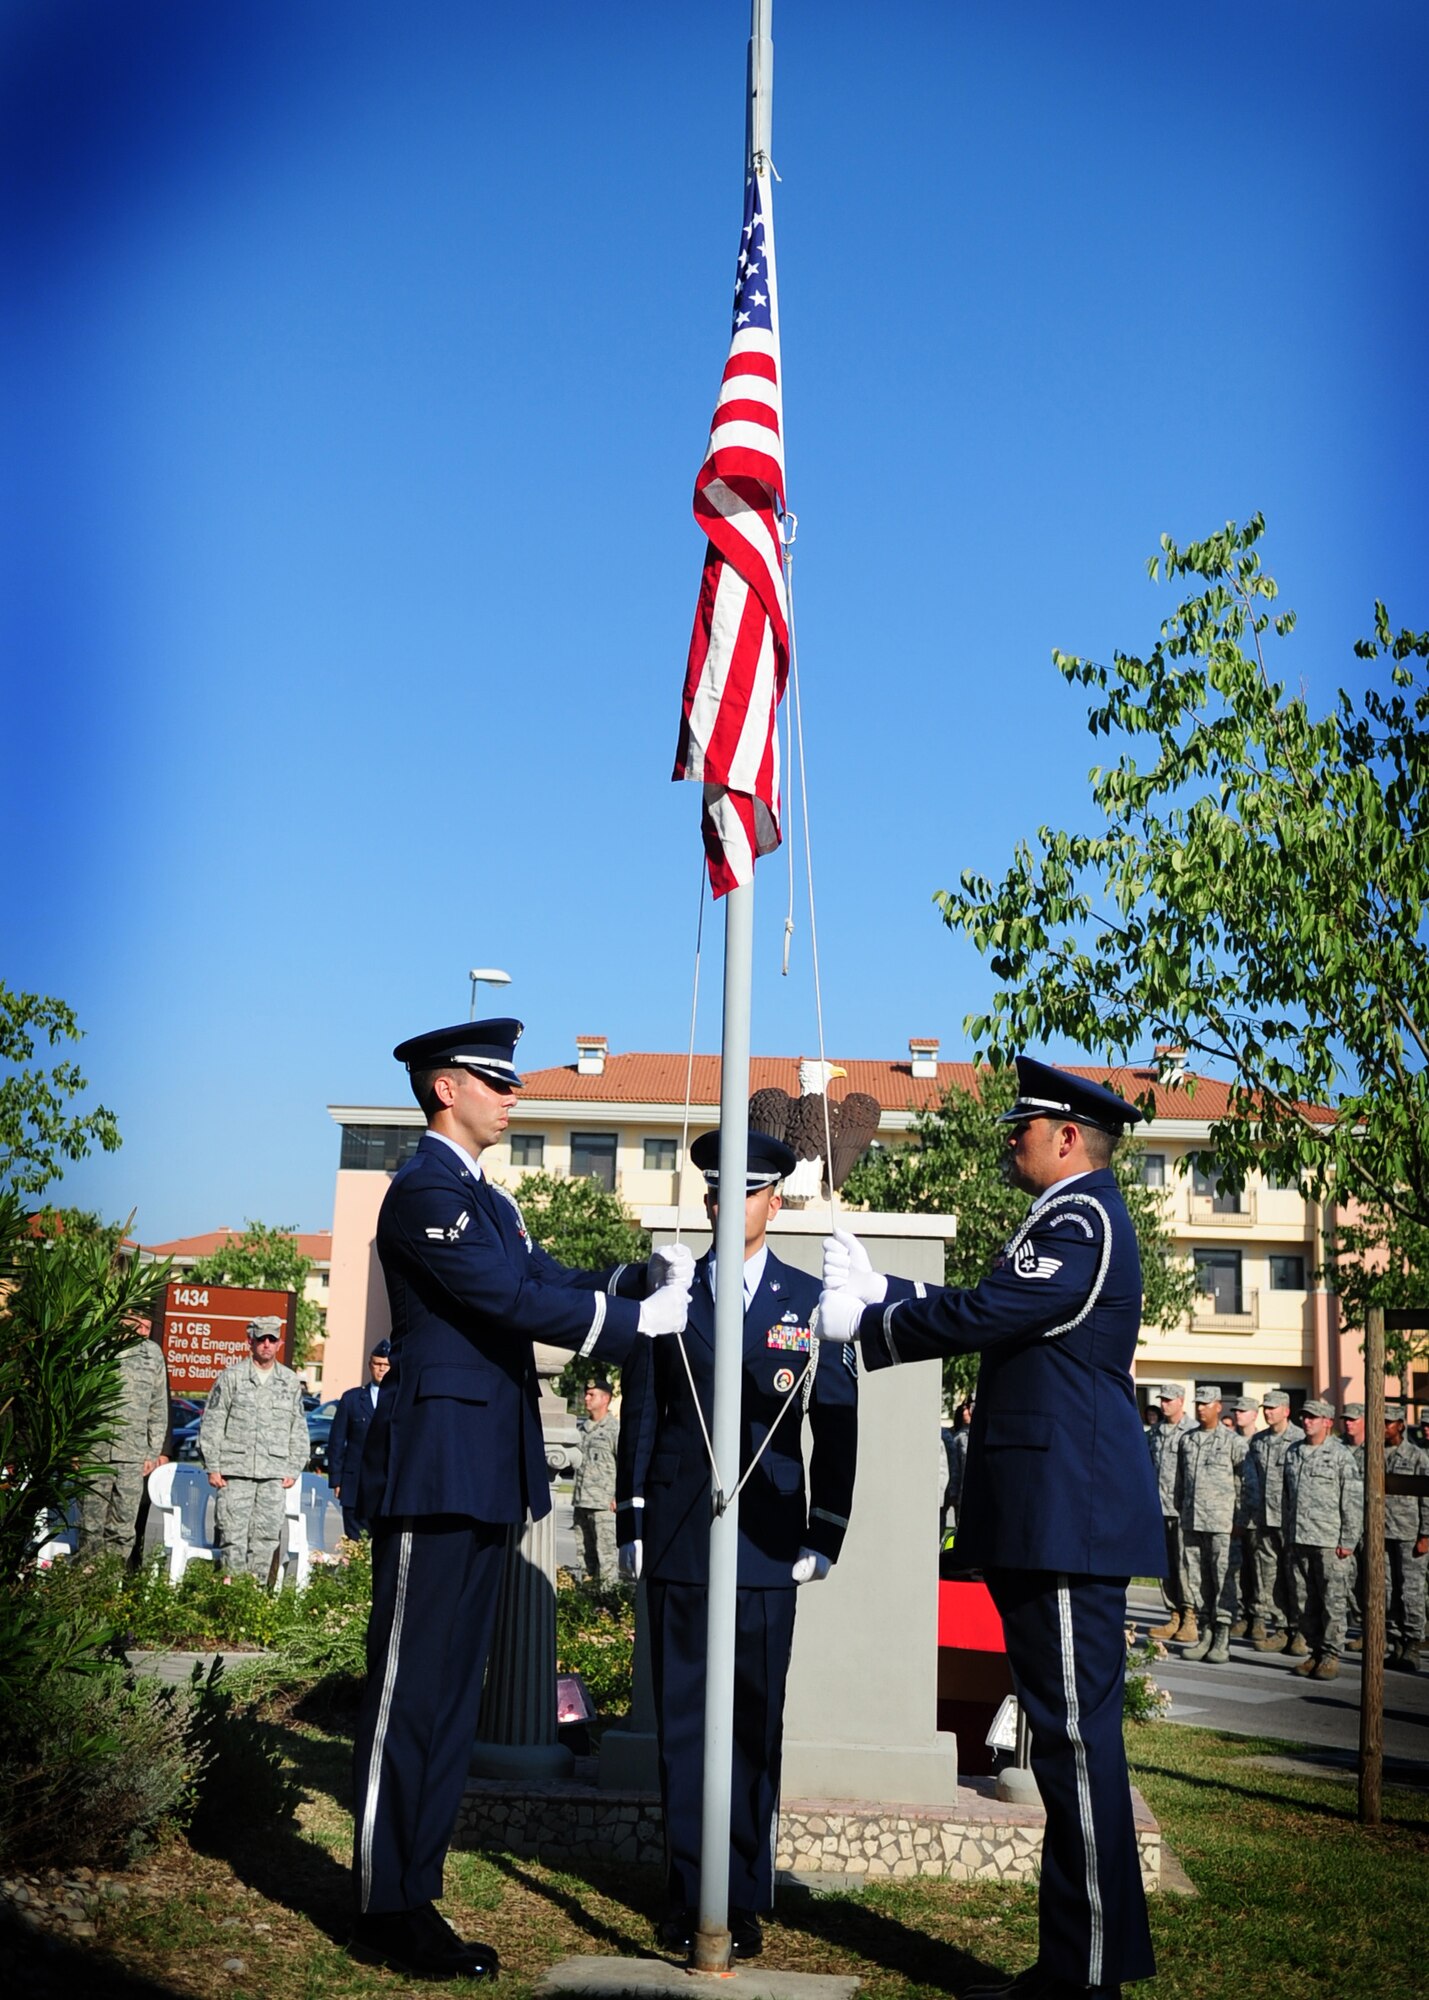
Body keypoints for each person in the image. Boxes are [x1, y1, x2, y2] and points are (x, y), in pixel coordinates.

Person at [349, 1019, 692, 1983]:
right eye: (497, 1085)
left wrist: (632, 1278)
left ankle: (414, 1893)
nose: (513, 1098)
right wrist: (628, 1327)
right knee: (407, 1695)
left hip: (483, 1464)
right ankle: (385, 1901)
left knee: (451, 1697)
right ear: (446, 1088)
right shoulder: (423, 1192)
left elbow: (538, 1277)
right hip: (436, 1466)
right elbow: (505, 1300)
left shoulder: (484, 1199)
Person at [816, 1054, 1162, 2000]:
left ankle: (1082, 1975)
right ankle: (1078, 1964)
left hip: (1066, 1516)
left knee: (1074, 1745)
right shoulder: (1061, 1217)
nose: (1009, 1137)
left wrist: (878, 1323)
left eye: (1024, 1126)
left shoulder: (1081, 1216)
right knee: (1063, 1742)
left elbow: (1003, 1310)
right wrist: (887, 1291)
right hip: (1051, 1514)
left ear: (1066, 1139)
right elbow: (1003, 1313)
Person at [616, 1129, 857, 1963]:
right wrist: (633, 1517)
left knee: (753, 1724)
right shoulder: (673, 1290)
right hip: (684, 1530)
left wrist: (827, 1528)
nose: (729, 1203)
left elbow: (836, 1417)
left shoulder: (805, 1297)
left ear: (774, 1202)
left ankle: (742, 1897)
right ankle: (688, 1893)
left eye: (747, 1191)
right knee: (684, 1722)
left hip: (767, 1538)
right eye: (717, 1189)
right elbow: (643, 1410)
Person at [199, 1315, 309, 1580]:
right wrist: (212, 1466)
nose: (267, 1345)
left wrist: (294, 1467)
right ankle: (231, 1595)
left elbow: (298, 1427)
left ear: (280, 1343)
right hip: (235, 1473)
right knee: (232, 1536)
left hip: (273, 1474)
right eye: (261, 1339)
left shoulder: (289, 1382)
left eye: (272, 1339)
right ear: (250, 1341)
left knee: (266, 1538)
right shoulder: (232, 1378)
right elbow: (212, 1423)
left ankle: (254, 1597)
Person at [78, 1316, 170, 1562]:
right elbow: (75, 1397)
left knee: (123, 1528)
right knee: (90, 1526)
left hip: (132, 1457)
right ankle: (84, 1587)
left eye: (147, 1326)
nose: (143, 1330)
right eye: (138, 1323)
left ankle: (110, 1585)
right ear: (122, 1319)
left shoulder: (152, 1355)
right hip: (94, 1453)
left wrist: (152, 1453)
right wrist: (75, 1448)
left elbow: (158, 1408)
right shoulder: (96, 1348)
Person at [1283, 1397, 1360, 1681]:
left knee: (1332, 1601)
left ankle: (1330, 1654)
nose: (1306, 1421)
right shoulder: (1293, 1452)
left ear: (1327, 1422)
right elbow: (1286, 1497)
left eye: (1313, 1417)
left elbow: (1351, 1502)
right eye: (1304, 1416)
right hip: (1299, 1538)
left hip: (1330, 1541)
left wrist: (1348, 1540)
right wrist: (1287, 1534)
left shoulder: (1341, 1456)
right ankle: (1314, 1650)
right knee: (1304, 1600)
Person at [1175, 1386, 1247, 1664]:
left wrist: (1239, 1520)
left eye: (1207, 1403)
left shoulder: (1234, 1442)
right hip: (1193, 1522)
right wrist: (1181, 1510)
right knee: (1197, 1579)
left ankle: (1222, 1637)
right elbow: (1180, 1482)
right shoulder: (1188, 1440)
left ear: (1219, 1406)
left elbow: (1245, 1485)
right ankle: (1205, 1631)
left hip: (1222, 1524)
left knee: (1223, 1580)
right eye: (1199, 1403)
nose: (1201, 1408)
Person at [1248, 1390, 1305, 1651]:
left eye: (1273, 1408)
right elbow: (1250, 1482)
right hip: (1264, 1520)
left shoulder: (1299, 1440)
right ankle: (1281, 1627)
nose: (1267, 1412)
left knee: (1297, 1577)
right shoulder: (1258, 1441)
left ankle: (1301, 1630)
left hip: (1290, 1521)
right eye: (1265, 1408)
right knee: (1270, 1577)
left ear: (1286, 1410)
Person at [1147, 1384, 1199, 1645]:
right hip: (1160, 1508)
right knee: (1164, 1566)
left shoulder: (1192, 1431)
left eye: (1169, 1400)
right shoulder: (1155, 1433)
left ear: (1181, 1401)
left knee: (1184, 1565)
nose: (1164, 1404)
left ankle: (1190, 1616)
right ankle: (1174, 1614)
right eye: (1162, 1400)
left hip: (1183, 1509)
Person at [328, 1340, 392, 1539]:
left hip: (385, 1483)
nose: (381, 1369)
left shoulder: (398, 1400)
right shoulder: (352, 1399)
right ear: (370, 1365)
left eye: (386, 1365)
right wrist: (336, 1479)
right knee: (354, 1542)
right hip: (354, 1484)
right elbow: (337, 1441)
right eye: (377, 1364)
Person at [1383, 1402, 1429, 1673]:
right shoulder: (1374, 1452)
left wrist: (1426, 1533)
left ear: (1401, 1425)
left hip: (1410, 1534)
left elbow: (1426, 1498)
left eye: (1389, 1422)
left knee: (1411, 1590)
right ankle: (1396, 1641)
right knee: (1387, 1591)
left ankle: (1413, 1644)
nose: (1385, 1427)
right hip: (1382, 1534)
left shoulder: (1417, 1457)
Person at [572, 1376, 621, 1583]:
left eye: (592, 1395)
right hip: (581, 1502)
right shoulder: (581, 1430)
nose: (586, 1398)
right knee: (584, 1559)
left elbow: (626, 1466)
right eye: (586, 1394)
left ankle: (608, 1608)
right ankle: (587, 1604)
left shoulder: (615, 1430)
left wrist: (619, 1496)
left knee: (607, 1560)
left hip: (604, 1506)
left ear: (606, 1398)